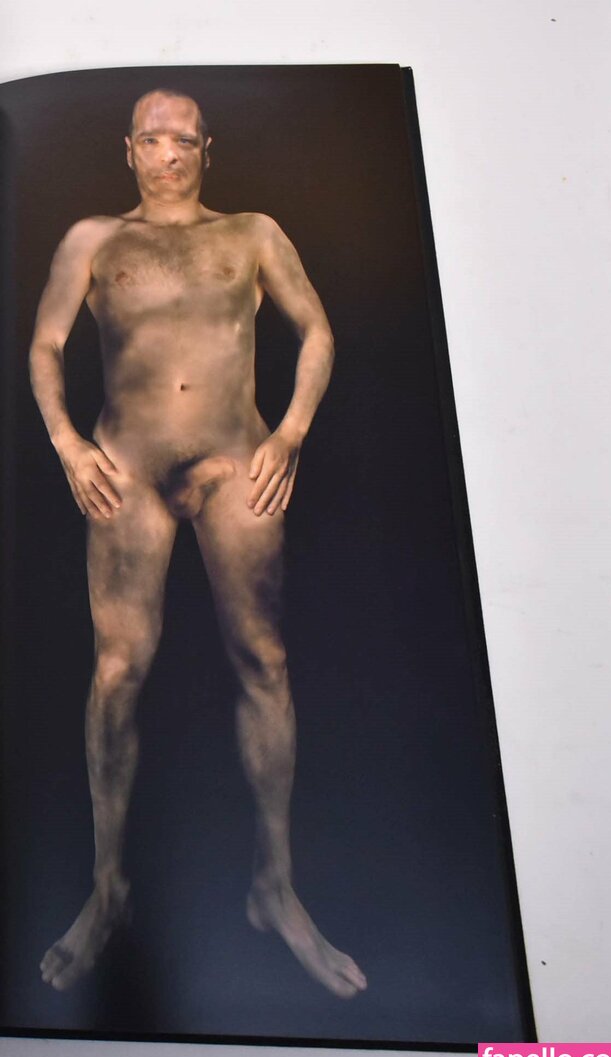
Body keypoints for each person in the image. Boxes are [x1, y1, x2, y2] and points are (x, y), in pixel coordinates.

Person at [29, 88, 367, 1000]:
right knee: (115, 672)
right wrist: (67, 444)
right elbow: (46, 344)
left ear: (207, 149)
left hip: (234, 464)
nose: (170, 153)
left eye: (185, 139)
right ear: (129, 148)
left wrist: (290, 435)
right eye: (154, 139)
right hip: (127, 471)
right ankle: (108, 888)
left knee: (265, 660)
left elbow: (318, 330)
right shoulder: (93, 239)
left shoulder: (252, 232)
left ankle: (275, 887)